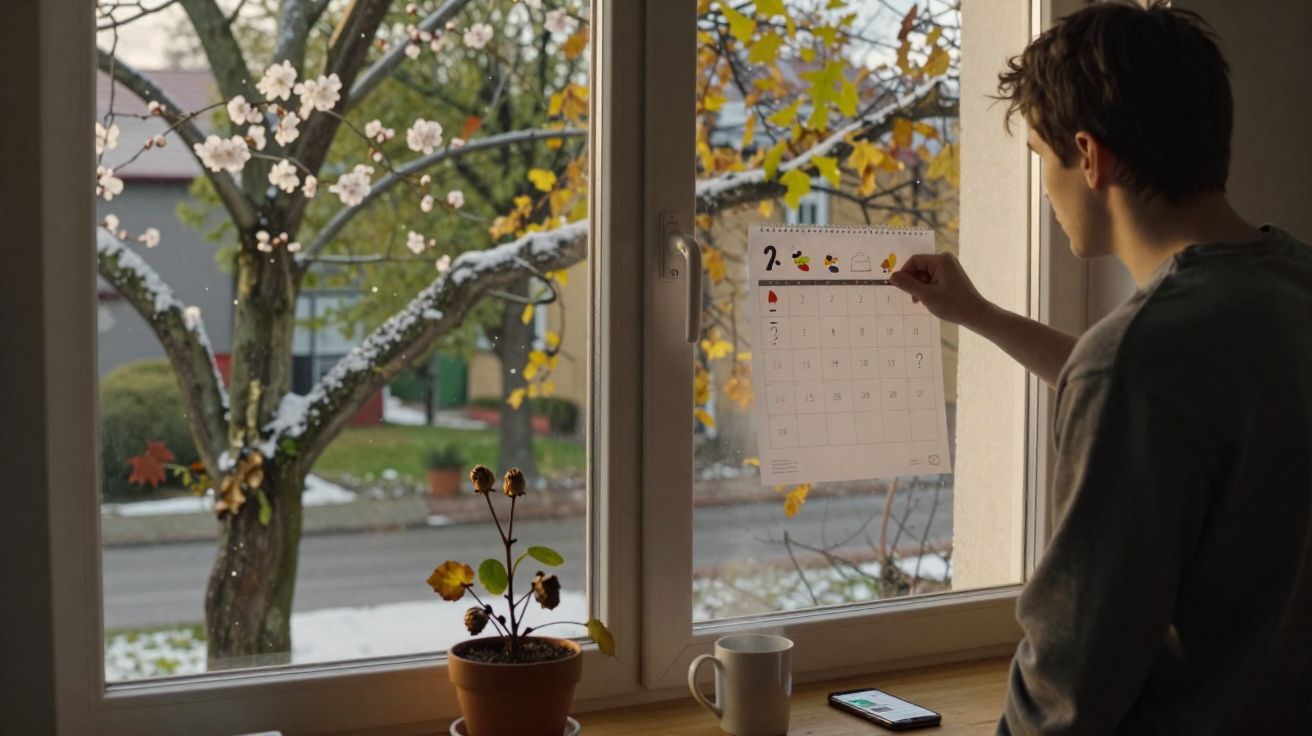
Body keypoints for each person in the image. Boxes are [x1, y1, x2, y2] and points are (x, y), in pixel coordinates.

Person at [889, 2, 1312, 733]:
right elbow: (1181, 399)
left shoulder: (1141, 360)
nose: (1045, 190)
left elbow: (1068, 688)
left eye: (1041, 161)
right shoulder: (1286, 285)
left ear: (1089, 157)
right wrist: (982, 315)